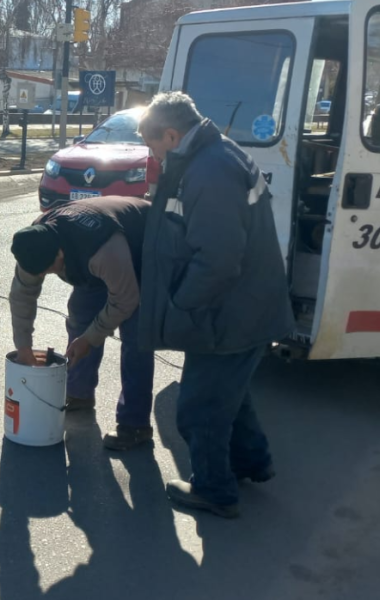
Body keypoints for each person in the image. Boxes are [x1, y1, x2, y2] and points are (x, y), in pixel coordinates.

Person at [134, 92, 294, 519]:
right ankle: (250, 463)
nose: (154, 155)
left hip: (229, 312)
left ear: (171, 134)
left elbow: (218, 259)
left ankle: (214, 490)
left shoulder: (209, 170)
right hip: (245, 306)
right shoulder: (215, 153)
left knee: (200, 408)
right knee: (230, 396)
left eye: (155, 145)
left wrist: (182, 305)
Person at [9, 195, 156, 450]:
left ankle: (135, 425)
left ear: (60, 253)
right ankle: (79, 393)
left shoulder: (103, 249)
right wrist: (24, 348)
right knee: (80, 313)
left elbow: (125, 300)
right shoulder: (35, 241)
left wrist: (91, 338)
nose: (43, 275)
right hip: (95, 262)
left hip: (146, 247)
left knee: (135, 337)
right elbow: (22, 296)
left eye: (48, 269)